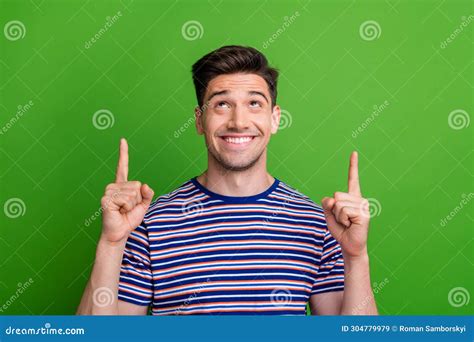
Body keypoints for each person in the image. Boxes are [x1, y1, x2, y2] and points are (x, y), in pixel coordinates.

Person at [77, 45, 378, 315]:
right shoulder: (149, 223)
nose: (238, 121)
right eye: (221, 104)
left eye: (254, 103)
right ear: (199, 120)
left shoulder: (317, 223)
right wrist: (111, 242)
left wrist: (356, 256)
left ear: (275, 118)